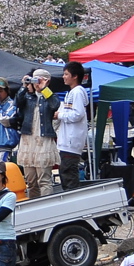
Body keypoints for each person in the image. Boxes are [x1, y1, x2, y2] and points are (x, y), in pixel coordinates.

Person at [16, 69, 60, 199]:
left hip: (43, 141)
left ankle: (47, 209)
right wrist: (24, 85)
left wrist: (44, 89)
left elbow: (55, 105)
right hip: (28, 141)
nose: (36, 83)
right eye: (34, 79)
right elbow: (17, 102)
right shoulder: (28, 97)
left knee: (44, 180)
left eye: (39, 79)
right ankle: (34, 207)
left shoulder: (51, 96)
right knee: (31, 182)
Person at [54, 61, 88, 191]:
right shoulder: (71, 93)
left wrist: (60, 115)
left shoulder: (78, 92)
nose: (63, 77)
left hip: (72, 142)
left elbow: (78, 114)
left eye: (66, 74)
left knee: (69, 173)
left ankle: (74, 202)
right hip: (66, 141)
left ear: (75, 76)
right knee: (65, 172)